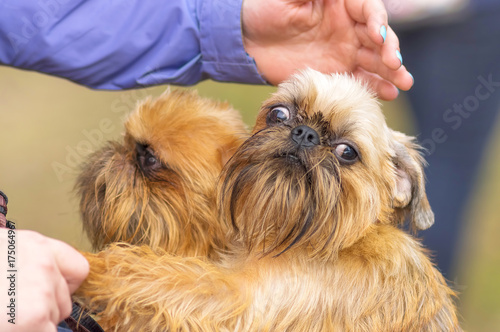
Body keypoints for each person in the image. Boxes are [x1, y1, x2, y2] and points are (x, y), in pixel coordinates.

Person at [0, 0, 413, 331]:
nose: (303, 139)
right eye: (281, 117)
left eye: (345, 153)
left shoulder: (348, 270)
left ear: (398, 185)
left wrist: (59, 269)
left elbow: (220, 305)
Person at [386, 0, 500, 279]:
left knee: (430, 151)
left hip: (391, 12)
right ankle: (414, 309)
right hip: (461, 14)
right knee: (447, 166)